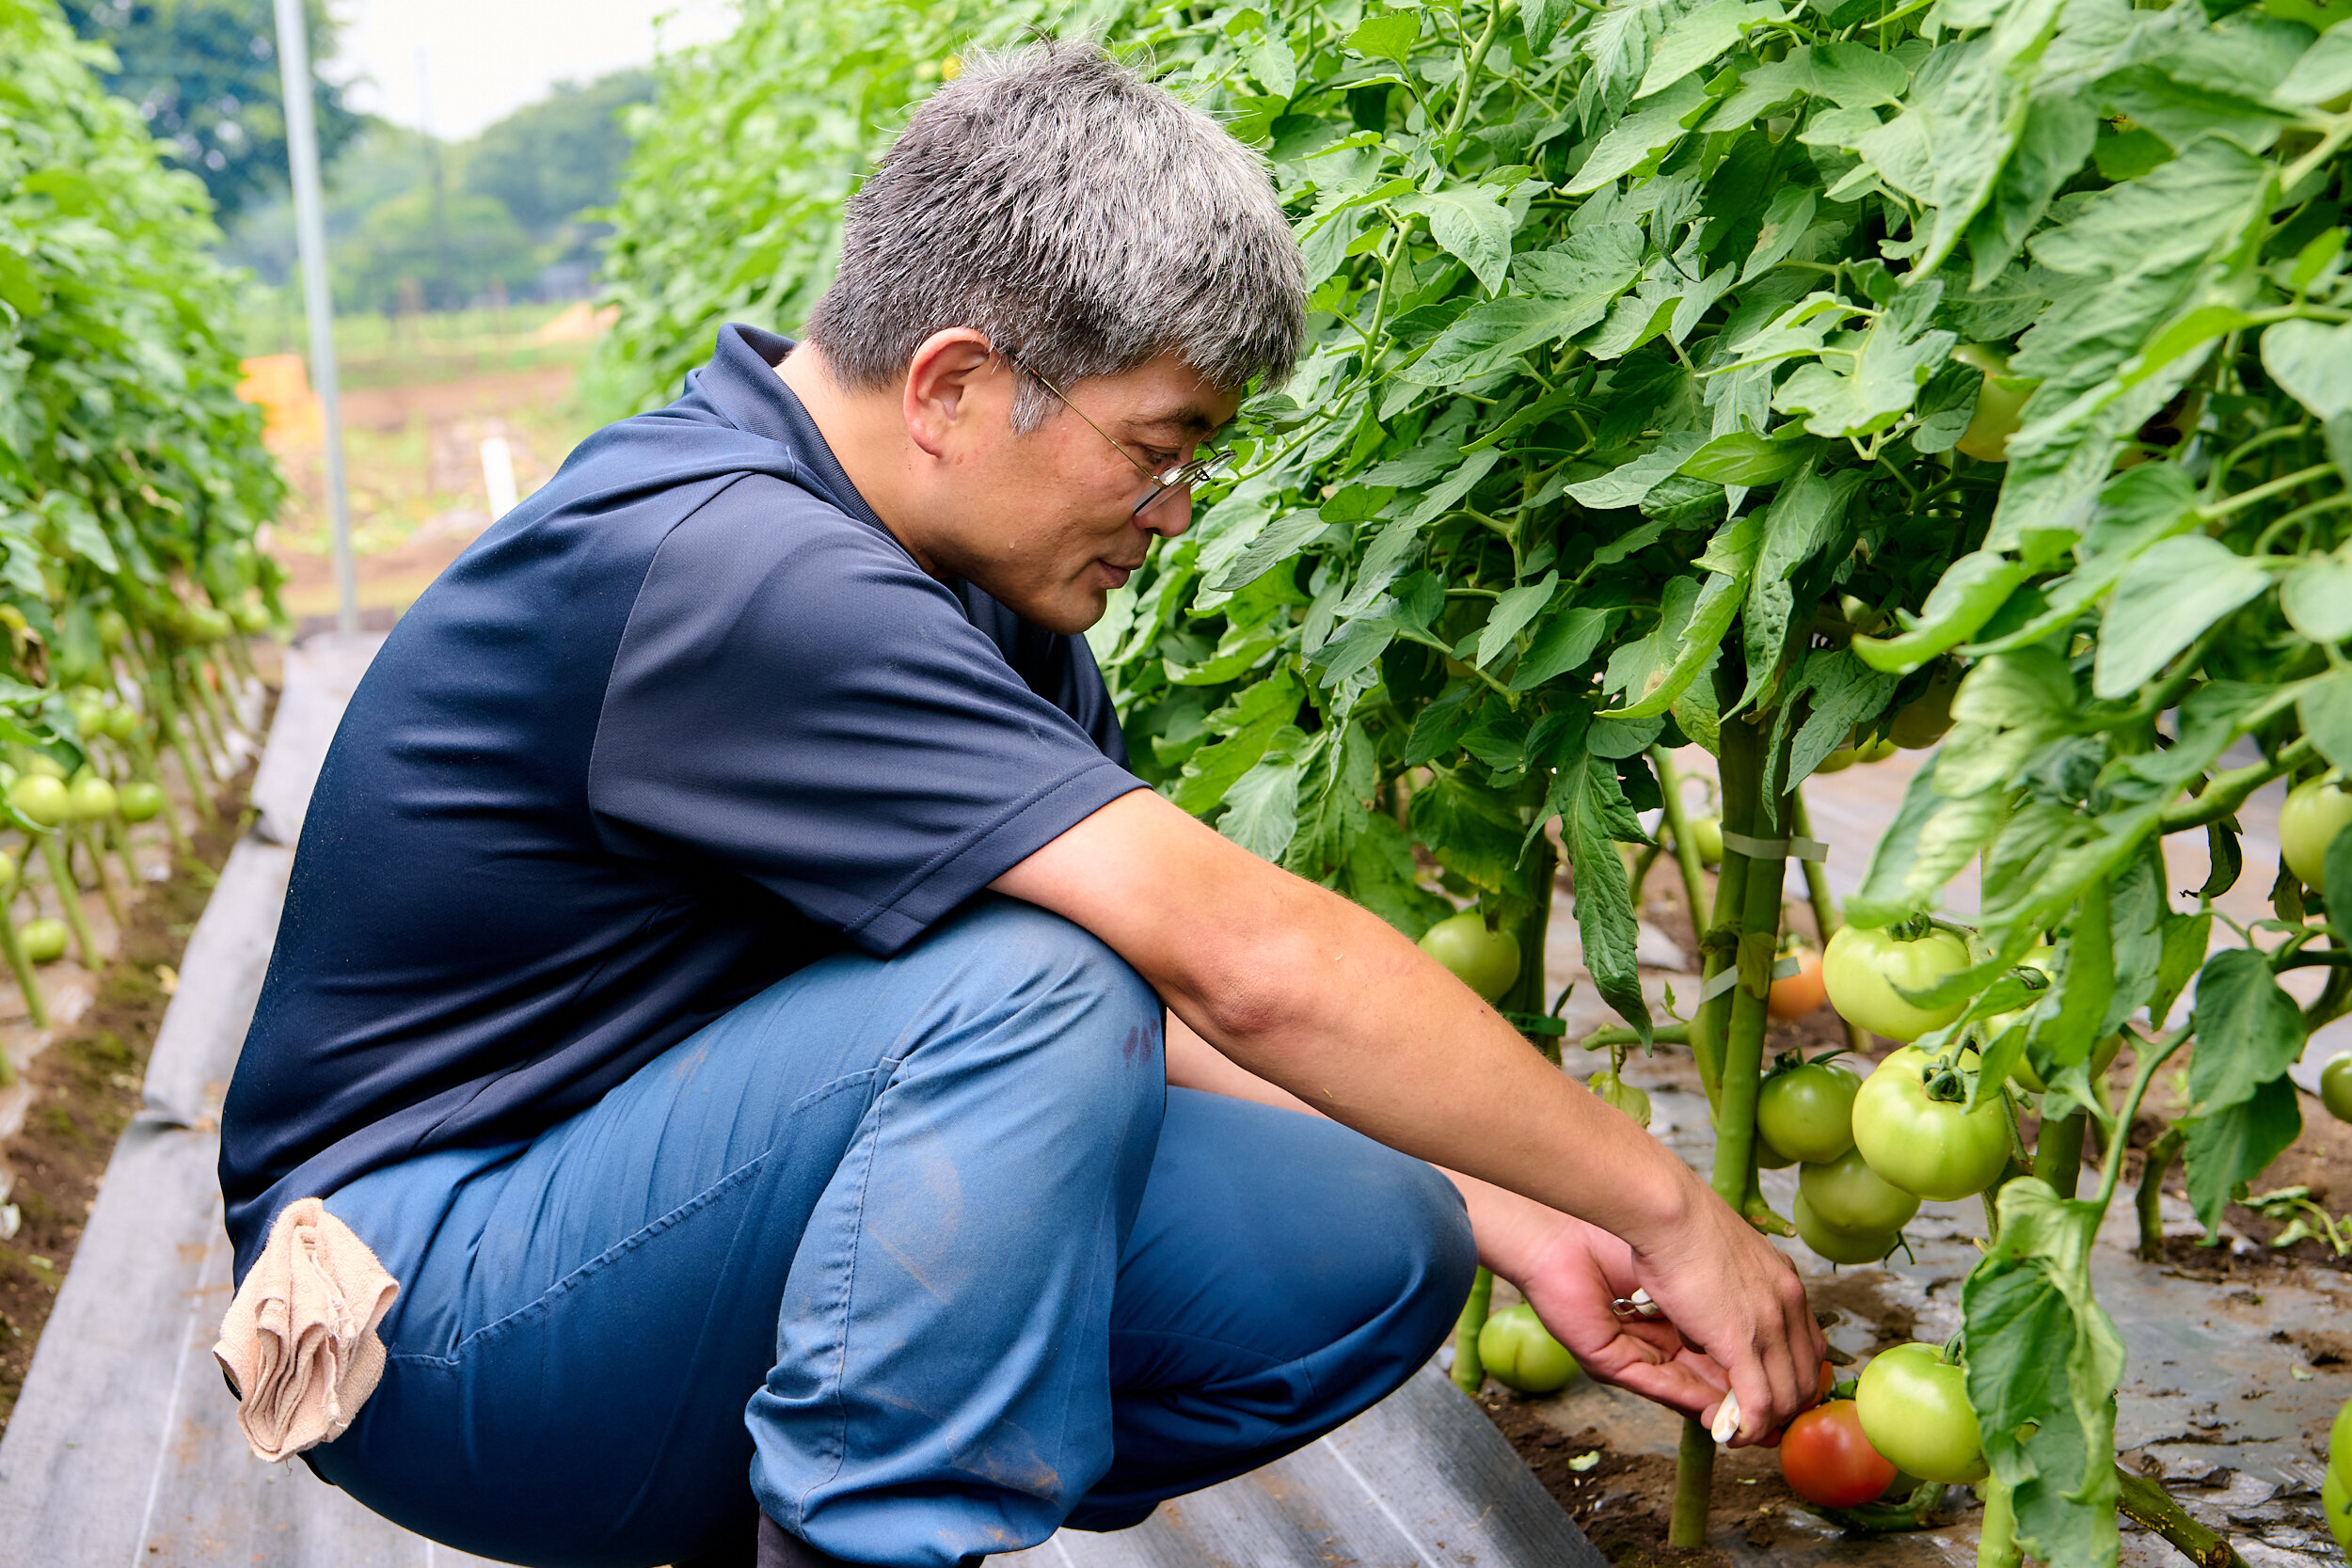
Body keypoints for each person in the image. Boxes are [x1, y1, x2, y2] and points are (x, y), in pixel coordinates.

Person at [217, 39, 1823, 1568]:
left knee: (1369, 1240)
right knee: (1029, 986)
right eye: (1158, 447)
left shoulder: (984, 590)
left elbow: (1146, 998)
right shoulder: (731, 570)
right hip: (430, 1318)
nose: (1177, 511)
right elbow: (1236, 961)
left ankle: (788, 1516)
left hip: (641, 1238)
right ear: (954, 384)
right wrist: (1662, 1200)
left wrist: (1507, 1209)